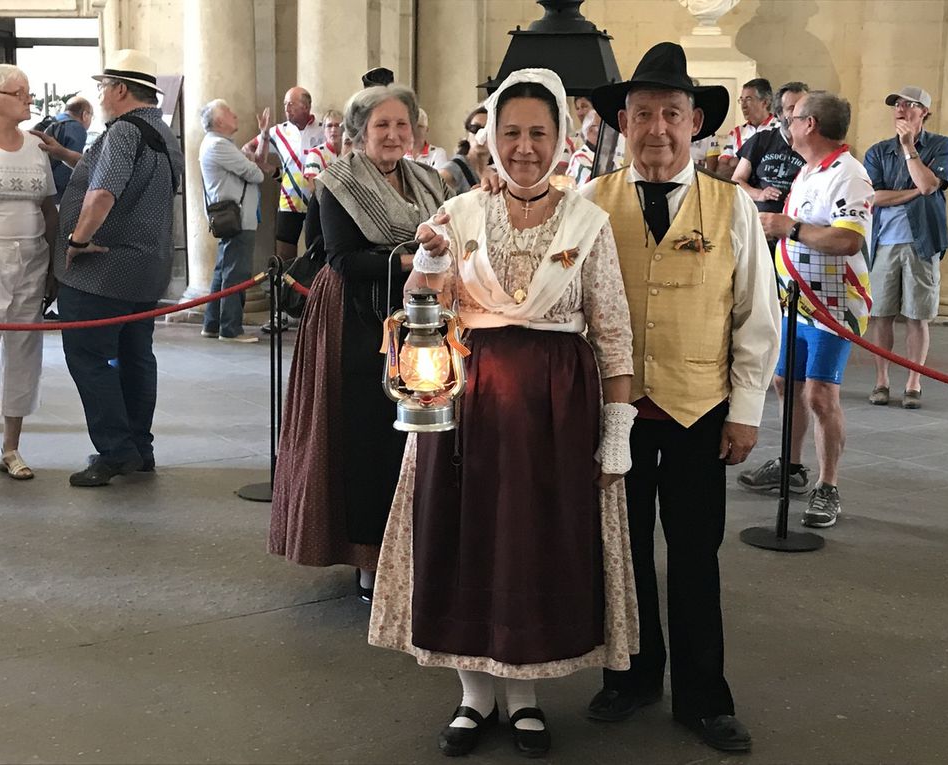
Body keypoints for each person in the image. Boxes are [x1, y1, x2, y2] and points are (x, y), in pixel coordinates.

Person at [369, 68, 638, 760]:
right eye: (510, 132)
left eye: (537, 133)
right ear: (489, 135)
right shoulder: (459, 214)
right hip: (467, 401)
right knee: (465, 536)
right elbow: (423, 304)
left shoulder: (587, 219)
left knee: (536, 541)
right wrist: (427, 260)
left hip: (557, 411)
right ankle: (472, 694)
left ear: (560, 139)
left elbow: (612, 332)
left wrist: (615, 437)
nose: (523, 147)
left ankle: (525, 697)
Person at [582, 42, 781, 753]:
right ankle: (632, 676)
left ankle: (704, 696)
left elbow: (758, 315)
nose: (657, 129)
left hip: (702, 412)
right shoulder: (590, 205)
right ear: (623, 124)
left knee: (697, 555)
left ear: (695, 121)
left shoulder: (731, 208)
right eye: (642, 115)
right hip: (616, 418)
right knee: (623, 552)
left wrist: (747, 411)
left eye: (671, 113)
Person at [269, 84, 451, 602]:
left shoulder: (427, 179)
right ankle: (368, 559)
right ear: (358, 134)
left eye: (402, 125)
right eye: (381, 126)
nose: (394, 135)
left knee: (415, 435)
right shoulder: (338, 182)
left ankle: (413, 547)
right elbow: (341, 259)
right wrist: (411, 260)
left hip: (418, 312)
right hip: (353, 315)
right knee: (366, 434)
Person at [33, 49, 183, 487]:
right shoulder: (160, 131)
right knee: (137, 358)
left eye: (102, 87)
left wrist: (77, 241)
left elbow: (102, 194)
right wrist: (64, 152)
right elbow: (113, 174)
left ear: (119, 89)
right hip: (146, 270)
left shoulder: (120, 132)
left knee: (90, 358)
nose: (99, 95)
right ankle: (140, 448)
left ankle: (115, 451)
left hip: (102, 271)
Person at [738, 91, 873, 528]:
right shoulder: (810, 170)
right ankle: (791, 466)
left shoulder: (848, 175)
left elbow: (848, 239)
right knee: (785, 382)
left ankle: (828, 487)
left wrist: (788, 226)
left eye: (793, 117)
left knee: (819, 394)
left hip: (832, 307)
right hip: (794, 303)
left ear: (810, 124)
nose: (786, 123)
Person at [0, 64, 58, 489]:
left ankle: (10, 448)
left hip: (31, 257)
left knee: (24, 351)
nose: (29, 98)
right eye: (19, 92)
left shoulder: (36, 147)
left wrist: (54, 260)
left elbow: (48, 207)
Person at [864, 86, 948, 410]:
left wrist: (908, 149)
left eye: (908, 105)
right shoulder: (877, 152)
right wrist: (915, 191)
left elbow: (931, 184)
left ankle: (913, 382)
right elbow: (873, 198)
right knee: (881, 315)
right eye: (896, 105)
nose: (900, 109)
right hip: (883, 243)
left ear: (924, 112)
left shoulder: (943, 146)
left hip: (923, 241)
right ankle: (881, 380)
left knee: (918, 317)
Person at [198, 99, 269, 344]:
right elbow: (256, 173)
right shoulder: (219, 145)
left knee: (223, 272)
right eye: (228, 111)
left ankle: (213, 323)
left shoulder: (220, 144)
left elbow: (251, 164)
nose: (234, 114)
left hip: (234, 216)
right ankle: (230, 328)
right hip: (237, 217)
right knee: (235, 274)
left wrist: (261, 140)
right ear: (219, 121)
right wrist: (251, 164)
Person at [241, 86, 324, 266]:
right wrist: (264, 136)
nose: (286, 108)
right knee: (285, 255)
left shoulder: (323, 130)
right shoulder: (279, 131)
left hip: (318, 200)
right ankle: (286, 293)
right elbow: (251, 151)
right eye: (285, 104)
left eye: (291, 104)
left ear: (306, 107)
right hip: (289, 200)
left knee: (319, 251)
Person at [732, 81, 808, 254]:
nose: (799, 114)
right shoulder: (761, 140)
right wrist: (760, 194)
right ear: (780, 114)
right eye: (792, 108)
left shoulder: (813, 145)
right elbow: (736, 180)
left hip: (798, 234)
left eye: (803, 107)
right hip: (760, 232)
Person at [717, 77, 776, 178]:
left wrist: (737, 163)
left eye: (748, 99)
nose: (743, 105)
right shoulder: (736, 132)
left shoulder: (780, 129)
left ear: (765, 102)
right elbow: (721, 170)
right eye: (741, 100)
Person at [46, 96, 93, 202]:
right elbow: (71, 168)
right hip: (56, 195)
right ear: (85, 115)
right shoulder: (76, 128)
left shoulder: (49, 122)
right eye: (91, 116)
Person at [437, 105, 490, 194]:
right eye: (475, 129)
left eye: (487, 130)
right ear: (467, 134)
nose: (481, 136)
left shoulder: (495, 170)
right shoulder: (453, 169)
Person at [303, 109, 344, 192]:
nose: (333, 130)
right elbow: (312, 187)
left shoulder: (350, 152)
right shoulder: (315, 154)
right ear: (324, 130)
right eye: (329, 126)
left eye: (337, 125)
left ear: (344, 129)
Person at [565, 108, 602, 187]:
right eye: (601, 127)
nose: (606, 132)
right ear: (590, 130)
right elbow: (595, 186)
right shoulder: (580, 157)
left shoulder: (602, 155)